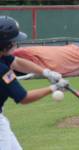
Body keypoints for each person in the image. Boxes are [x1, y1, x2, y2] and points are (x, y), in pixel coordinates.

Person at [0, 16, 69, 150]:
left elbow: (18, 62)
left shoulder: (3, 57)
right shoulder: (2, 70)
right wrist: (54, 88)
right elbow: (23, 98)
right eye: (13, 41)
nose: (16, 44)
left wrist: (46, 73)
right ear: (5, 44)